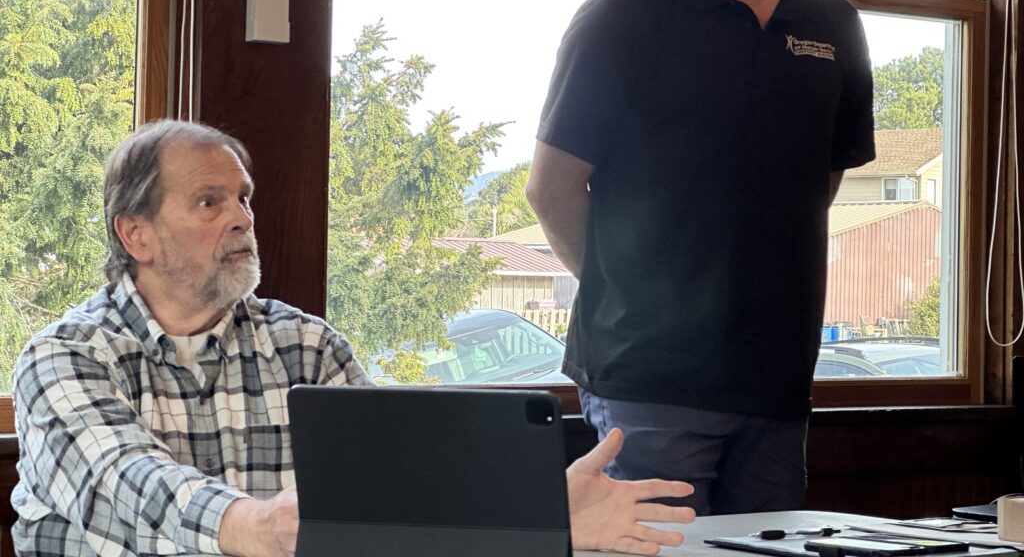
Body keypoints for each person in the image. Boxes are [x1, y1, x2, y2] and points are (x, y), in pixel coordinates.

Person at [11, 119, 695, 557]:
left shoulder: (306, 347)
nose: (242, 218)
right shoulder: (64, 358)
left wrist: (537, 519)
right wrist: (250, 526)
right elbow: (126, 483)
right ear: (136, 235)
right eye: (209, 202)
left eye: (244, 197)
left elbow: (398, 495)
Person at [527, 0, 876, 516]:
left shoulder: (833, 26)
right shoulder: (625, 14)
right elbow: (551, 188)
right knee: (662, 549)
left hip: (775, 381)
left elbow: (818, 182)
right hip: (648, 380)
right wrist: (634, 292)